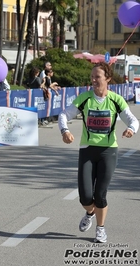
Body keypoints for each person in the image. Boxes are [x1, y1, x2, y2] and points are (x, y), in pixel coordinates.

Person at [58, 62, 139, 243]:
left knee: (100, 194)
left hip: (108, 151)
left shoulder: (116, 100)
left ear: (107, 79)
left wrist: (131, 130)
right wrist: (65, 131)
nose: (93, 80)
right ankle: (90, 212)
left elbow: (133, 120)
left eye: (97, 77)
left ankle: (100, 229)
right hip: (87, 150)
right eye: (92, 77)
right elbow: (64, 114)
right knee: (86, 197)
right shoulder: (85, 98)